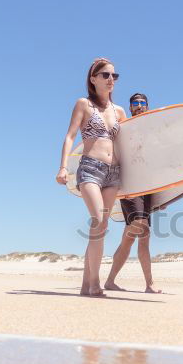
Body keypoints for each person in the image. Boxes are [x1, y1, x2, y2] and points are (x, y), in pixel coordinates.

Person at [55, 58, 124, 297]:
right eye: (105, 75)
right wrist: (63, 167)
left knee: (100, 228)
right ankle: (95, 284)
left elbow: (129, 146)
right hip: (90, 169)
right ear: (93, 79)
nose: (110, 80)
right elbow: (69, 136)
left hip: (113, 173)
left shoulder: (119, 111)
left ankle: (86, 286)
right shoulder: (83, 104)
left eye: (114, 76)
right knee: (99, 223)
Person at [104, 93, 162, 293]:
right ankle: (148, 284)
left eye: (142, 103)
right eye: (135, 103)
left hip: (147, 187)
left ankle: (115, 281)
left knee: (135, 236)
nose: (139, 106)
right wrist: (118, 188)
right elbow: (114, 156)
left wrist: (162, 195)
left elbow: (157, 164)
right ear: (130, 107)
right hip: (130, 186)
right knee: (141, 228)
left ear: (147, 106)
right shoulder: (124, 128)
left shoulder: (151, 133)